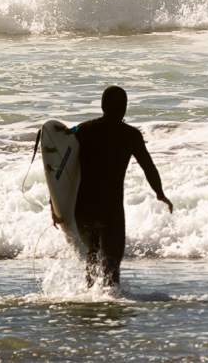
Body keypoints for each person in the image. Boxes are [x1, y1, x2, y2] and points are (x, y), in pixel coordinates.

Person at [70, 86, 172, 288]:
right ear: (125, 108)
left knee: (90, 259)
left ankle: (89, 306)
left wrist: (56, 204)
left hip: (83, 206)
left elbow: (63, 169)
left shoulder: (82, 130)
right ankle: (110, 308)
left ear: (102, 105)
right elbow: (148, 167)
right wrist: (160, 193)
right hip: (110, 208)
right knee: (111, 267)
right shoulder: (130, 135)